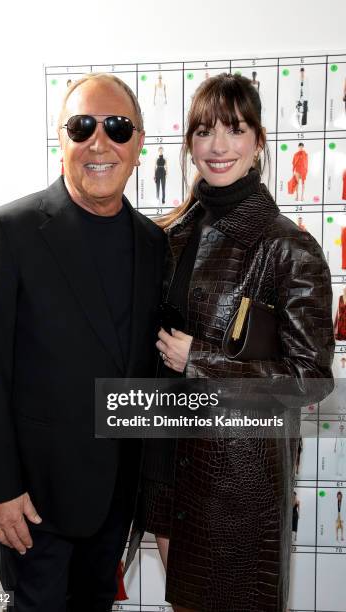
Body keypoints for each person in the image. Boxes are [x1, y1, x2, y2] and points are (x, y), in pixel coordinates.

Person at [0, 73, 165, 612]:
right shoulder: (8, 231)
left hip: (116, 502)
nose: (99, 142)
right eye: (81, 126)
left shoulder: (154, 243)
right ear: (61, 140)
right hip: (33, 507)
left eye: (117, 127)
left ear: (139, 144)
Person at [134, 73, 334, 612]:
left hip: (235, 478)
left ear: (259, 141)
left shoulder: (288, 247)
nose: (218, 146)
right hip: (165, 460)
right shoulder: (170, 235)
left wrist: (203, 360)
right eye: (204, 132)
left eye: (235, 129)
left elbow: (310, 377)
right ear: (188, 145)